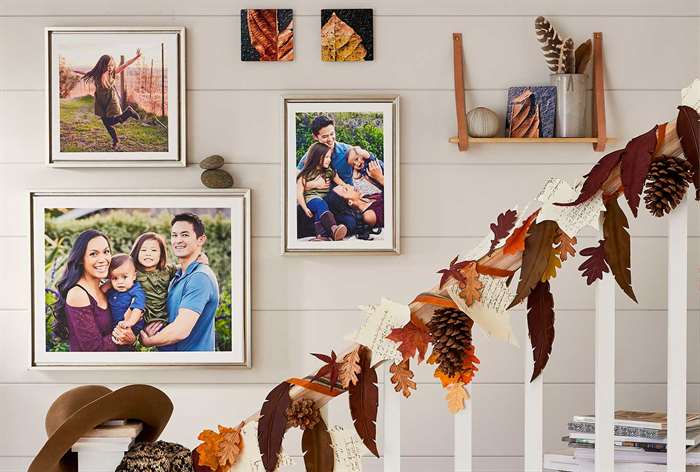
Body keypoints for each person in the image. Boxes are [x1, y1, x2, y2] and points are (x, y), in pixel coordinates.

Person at [138, 213, 220, 351]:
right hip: (173, 365)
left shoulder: (199, 277)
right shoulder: (178, 275)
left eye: (185, 235)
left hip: (191, 366)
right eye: (174, 235)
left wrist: (148, 341)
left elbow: (180, 330)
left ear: (201, 239)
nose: (178, 240)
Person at [53, 230, 134, 352]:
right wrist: (125, 336)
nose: (102, 259)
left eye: (106, 252)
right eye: (93, 254)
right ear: (81, 259)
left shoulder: (105, 288)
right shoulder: (78, 294)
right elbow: (94, 349)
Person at [81, 50, 142, 150]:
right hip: (101, 102)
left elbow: (125, 64)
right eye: (108, 65)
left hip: (110, 101)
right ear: (102, 65)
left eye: (112, 65)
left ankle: (128, 113)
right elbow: (87, 74)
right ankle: (115, 140)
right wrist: (75, 71)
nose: (110, 68)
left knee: (109, 122)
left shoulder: (112, 73)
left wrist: (136, 57)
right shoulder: (97, 74)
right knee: (106, 123)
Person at [297, 142, 349, 240]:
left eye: (329, 157)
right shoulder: (306, 173)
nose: (329, 160)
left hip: (323, 199)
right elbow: (299, 193)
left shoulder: (328, 171)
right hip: (310, 200)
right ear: (317, 157)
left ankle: (321, 236)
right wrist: (305, 208)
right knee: (321, 204)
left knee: (321, 208)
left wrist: (348, 187)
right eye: (326, 157)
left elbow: (340, 182)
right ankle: (333, 228)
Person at [105, 254, 145, 351]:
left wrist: (129, 322)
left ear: (134, 276)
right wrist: (107, 285)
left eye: (124, 277)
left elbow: (137, 309)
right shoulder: (112, 291)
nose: (120, 282)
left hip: (130, 328)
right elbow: (99, 293)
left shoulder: (136, 291)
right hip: (114, 328)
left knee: (125, 349)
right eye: (115, 278)